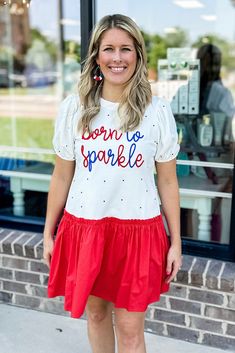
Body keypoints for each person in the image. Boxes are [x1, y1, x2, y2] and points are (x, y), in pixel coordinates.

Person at [43, 14, 182, 353]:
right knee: (96, 317)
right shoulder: (75, 108)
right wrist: (49, 232)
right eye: (108, 49)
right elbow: (62, 174)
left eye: (125, 49)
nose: (117, 58)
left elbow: (167, 180)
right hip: (86, 229)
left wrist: (176, 240)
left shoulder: (157, 111)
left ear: (137, 55)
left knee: (132, 329)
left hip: (138, 233)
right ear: (96, 55)